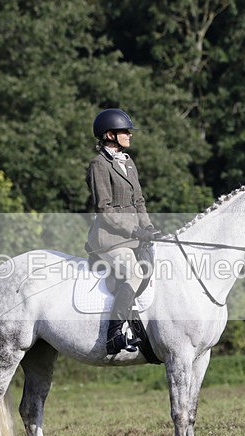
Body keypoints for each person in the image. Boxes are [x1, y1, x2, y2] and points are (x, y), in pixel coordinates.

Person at [86, 108, 160, 354]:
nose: (129, 135)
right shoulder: (99, 165)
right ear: (109, 135)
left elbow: (139, 201)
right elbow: (104, 209)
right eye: (124, 131)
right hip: (109, 240)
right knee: (136, 273)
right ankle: (113, 334)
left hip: (133, 237)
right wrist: (134, 230)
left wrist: (147, 226)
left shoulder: (127, 162)